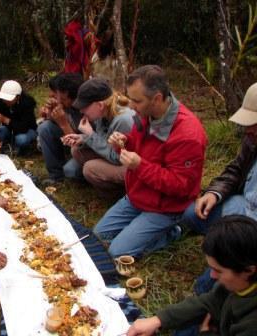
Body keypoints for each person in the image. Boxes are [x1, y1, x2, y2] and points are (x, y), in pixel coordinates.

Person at [94, 65, 207, 258]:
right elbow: (138, 144)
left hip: (166, 207)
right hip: (138, 196)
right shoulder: (146, 114)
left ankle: (176, 229)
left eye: (136, 101)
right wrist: (123, 142)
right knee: (97, 237)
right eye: (130, 98)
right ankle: (140, 230)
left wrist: (139, 166)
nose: (130, 106)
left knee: (117, 252)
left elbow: (181, 186)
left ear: (157, 99)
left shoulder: (188, 135)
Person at [127, 215, 257, 336]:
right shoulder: (238, 283)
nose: (212, 275)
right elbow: (210, 301)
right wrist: (158, 320)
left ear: (248, 270)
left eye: (218, 270)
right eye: (210, 268)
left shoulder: (252, 324)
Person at [182, 82, 257, 234]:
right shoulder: (252, 140)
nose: (249, 130)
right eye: (249, 123)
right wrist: (214, 193)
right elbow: (236, 170)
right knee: (192, 214)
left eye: (255, 124)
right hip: (242, 206)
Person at [62, 78, 134, 196]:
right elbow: (104, 141)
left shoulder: (123, 120)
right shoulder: (103, 113)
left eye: (84, 107)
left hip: (132, 166)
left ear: (100, 105)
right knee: (77, 149)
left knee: (90, 169)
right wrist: (83, 138)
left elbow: (118, 158)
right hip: (116, 156)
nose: (81, 111)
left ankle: (126, 194)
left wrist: (90, 135)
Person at [37, 72, 84, 184]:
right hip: (74, 141)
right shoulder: (67, 104)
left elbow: (81, 146)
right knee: (45, 128)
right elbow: (51, 125)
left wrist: (63, 123)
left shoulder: (85, 108)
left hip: (86, 150)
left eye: (56, 93)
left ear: (68, 95)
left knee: (70, 171)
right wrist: (50, 113)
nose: (53, 96)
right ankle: (56, 176)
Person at [0, 80, 37, 155]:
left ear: (18, 97)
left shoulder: (27, 103)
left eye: (9, 99)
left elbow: (24, 127)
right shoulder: (0, 101)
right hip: (9, 129)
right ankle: (9, 145)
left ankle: (25, 146)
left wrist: (6, 120)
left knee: (21, 139)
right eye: (4, 98)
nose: (6, 101)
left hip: (26, 130)